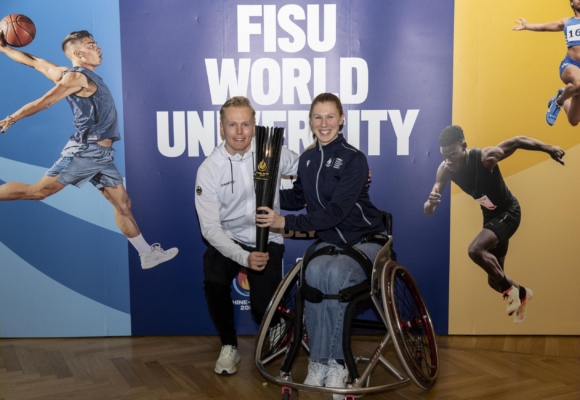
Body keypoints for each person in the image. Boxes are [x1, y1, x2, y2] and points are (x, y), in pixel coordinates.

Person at [0, 31, 178, 269]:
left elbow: (35, 62)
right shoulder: (75, 77)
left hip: (102, 156)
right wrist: (12, 118)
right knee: (38, 191)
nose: (98, 48)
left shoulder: (70, 74)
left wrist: (4, 48)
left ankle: (147, 254)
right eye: (91, 45)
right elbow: (46, 101)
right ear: (78, 53)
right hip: (86, 151)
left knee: (123, 204)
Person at [256, 93, 386, 398]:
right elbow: (297, 197)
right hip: (330, 242)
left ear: (341, 119)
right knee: (313, 275)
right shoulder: (308, 158)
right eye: (318, 117)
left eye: (330, 117)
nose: (324, 123)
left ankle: (338, 363)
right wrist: (261, 190)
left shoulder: (354, 159)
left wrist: (284, 222)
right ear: (310, 121)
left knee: (336, 276)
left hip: (365, 239)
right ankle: (318, 362)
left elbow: (336, 212)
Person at [194, 96, 299, 375]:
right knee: (214, 280)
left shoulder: (272, 153)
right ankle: (229, 346)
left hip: (268, 238)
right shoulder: (209, 169)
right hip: (230, 239)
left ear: (254, 126)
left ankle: (277, 324)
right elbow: (210, 229)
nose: (239, 132)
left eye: (245, 124)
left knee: (262, 308)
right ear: (221, 128)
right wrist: (243, 257)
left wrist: (351, 172)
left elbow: (310, 169)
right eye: (232, 125)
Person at [424, 125, 565, 323]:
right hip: (491, 218)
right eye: (444, 156)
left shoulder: (485, 158)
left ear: (463, 146)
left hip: (509, 212)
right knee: (494, 280)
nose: (448, 161)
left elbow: (517, 141)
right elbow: (428, 210)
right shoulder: (445, 169)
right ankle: (522, 293)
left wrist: (549, 148)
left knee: (475, 250)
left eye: (452, 155)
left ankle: (510, 292)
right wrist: (431, 203)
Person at [512, 0, 580, 126]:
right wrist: (527, 26)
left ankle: (561, 96)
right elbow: (544, 27)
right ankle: (558, 103)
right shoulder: (567, 22)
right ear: (571, 3)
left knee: (574, 120)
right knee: (579, 82)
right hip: (569, 65)